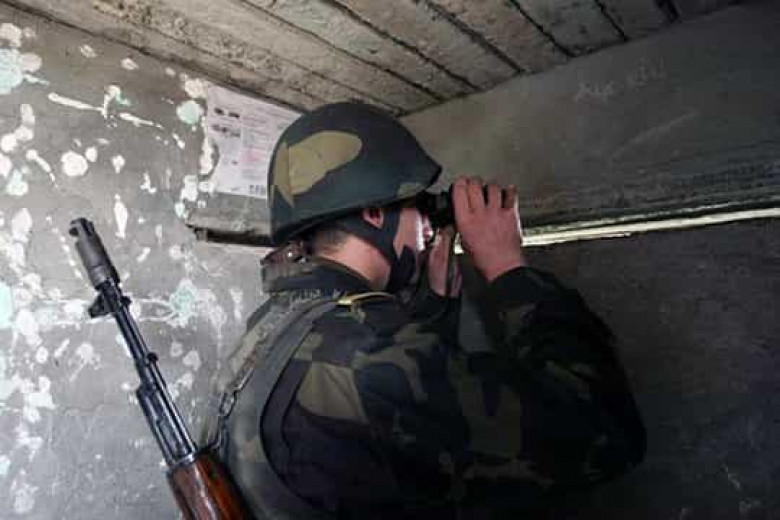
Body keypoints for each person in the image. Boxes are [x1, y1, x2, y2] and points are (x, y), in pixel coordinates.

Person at [205, 102, 646, 519]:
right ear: (375, 213)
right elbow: (603, 433)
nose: (429, 230)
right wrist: (507, 267)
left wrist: (434, 308)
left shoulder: (269, 329)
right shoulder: (371, 352)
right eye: (421, 208)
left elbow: (387, 435)